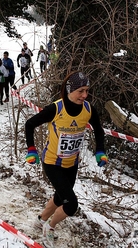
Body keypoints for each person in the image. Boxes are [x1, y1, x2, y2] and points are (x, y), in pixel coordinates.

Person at [24, 71, 108, 248]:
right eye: (81, 91)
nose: (85, 95)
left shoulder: (88, 109)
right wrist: (31, 149)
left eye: (87, 91)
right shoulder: (56, 109)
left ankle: (41, 220)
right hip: (52, 162)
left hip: (72, 163)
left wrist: (100, 150)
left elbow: (99, 130)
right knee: (71, 204)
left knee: (62, 196)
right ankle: (50, 227)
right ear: (70, 90)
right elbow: (30, 124)